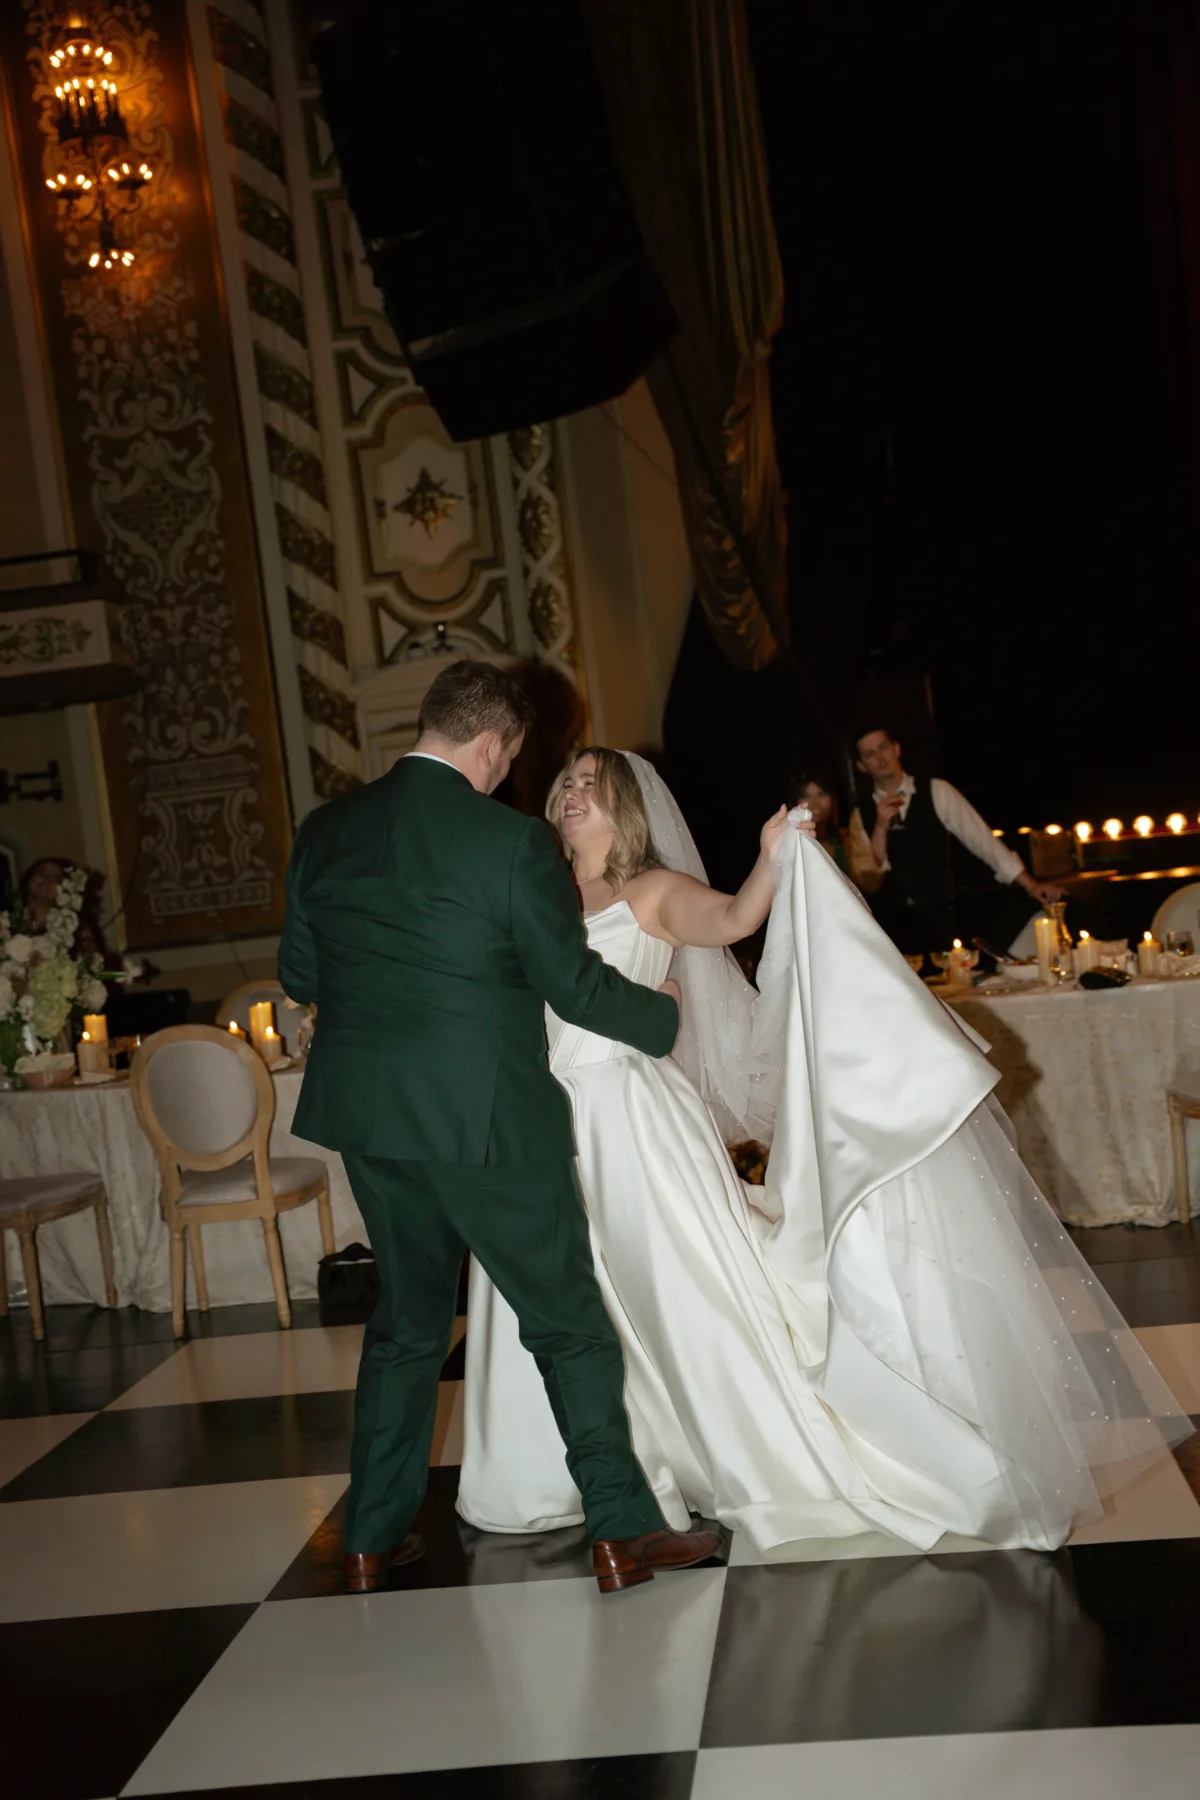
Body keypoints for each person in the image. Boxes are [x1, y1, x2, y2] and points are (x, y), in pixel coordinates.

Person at [458, 746, 1188, 1555]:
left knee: (667, 1293)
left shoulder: (651, 890)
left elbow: (735, 920)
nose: (573, 793)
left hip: (627, 1120)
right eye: (568, 782)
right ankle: (569, 1470)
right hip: (538, 1115)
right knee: (551, 1294)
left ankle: (722, 1456)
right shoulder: (535, 887)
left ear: (626, 805)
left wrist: (771, 859)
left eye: (592, 785)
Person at [278, 661, 721, 1597]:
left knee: (405, 1325)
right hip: (487, 1120)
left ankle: (370, 1537)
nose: (507, 774)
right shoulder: (512, 842)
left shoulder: (324, 831)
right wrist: (663, 1017)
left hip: (371, 1121)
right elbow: (574, 986)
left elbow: (301, 974)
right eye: (509, 758)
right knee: (567, 1324)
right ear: (491, 743)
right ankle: (622, 1534)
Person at [846, 724, 1061, 955]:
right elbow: (869, 880)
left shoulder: (937, 791)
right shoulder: (861, 814)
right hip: (892, 929)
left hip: (940, 919)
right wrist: (880, 825)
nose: (880, 757)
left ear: (896, 749)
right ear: (861, 765)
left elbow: (982, 841)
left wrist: (1030, 885)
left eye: (883, 747)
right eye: (870, 754)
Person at [788, 767, 850, 875]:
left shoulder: (848, 838)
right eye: (806, 796)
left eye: (822, 794)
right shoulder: (789, 844)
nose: (815, 802)